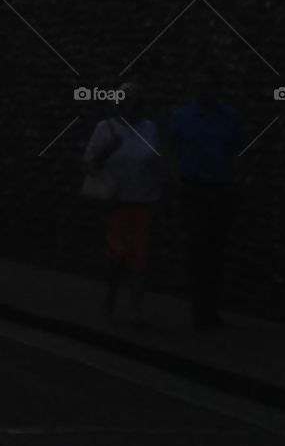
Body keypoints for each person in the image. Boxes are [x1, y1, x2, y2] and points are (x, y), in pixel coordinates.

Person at [168, 67, 244, 331]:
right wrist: (178, 181)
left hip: (222, 190)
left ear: (216, 89)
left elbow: (237, 152)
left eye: (207, 86)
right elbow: (172, 152)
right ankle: (200, 310)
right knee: (198, 249)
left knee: (217, 250)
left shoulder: (230, 118)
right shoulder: (182, 117)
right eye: (198, 86)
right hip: (194, 189)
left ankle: (211, 308)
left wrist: (237, 183)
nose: (202, 91)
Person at [83, 81, 163, 325]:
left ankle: (135, 308)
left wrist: (160, 192)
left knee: (140, 255)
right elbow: (90, 164)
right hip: (116, 200)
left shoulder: (149, 128)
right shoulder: (105, 128)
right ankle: (111, 295)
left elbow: (156, 162)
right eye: (127, 99)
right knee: (117, 254)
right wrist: (108, 150)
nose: (131, 104)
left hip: (143, 200)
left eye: (135, 99)